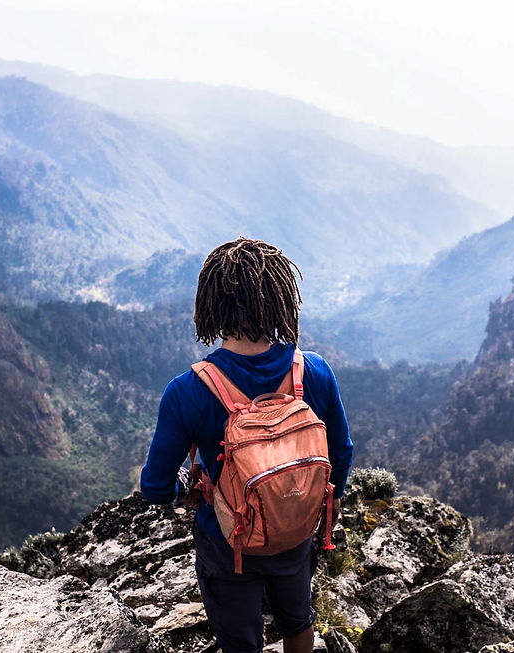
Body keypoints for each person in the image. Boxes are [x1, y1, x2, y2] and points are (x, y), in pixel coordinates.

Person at [140, 237, 354, 653]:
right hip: (295, 529)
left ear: (210, 307)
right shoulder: (314, 371)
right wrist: (319, 501)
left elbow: (154, 486)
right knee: (297, 622)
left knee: (240, 641)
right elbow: (341, 452)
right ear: (278, 300)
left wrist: (188, 491)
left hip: (227, 543)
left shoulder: (188, 390)